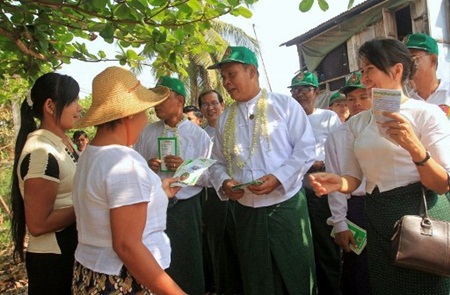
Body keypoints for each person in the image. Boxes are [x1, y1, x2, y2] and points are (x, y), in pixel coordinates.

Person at [309, 38, 450, 294]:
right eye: (362, 71)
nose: (365, 79)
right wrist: (338, 183)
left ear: (397, 70)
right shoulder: (359, 123)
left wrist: (414, 147)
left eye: (370, 69)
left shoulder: (427, 114)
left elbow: (441, 184)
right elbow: (354, 177)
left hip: (420, 216)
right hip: (377, 218)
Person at [208, 46, 317, 295]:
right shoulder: (225, 119)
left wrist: (278, 178)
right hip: (247, 213)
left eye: (231, 74)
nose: (226, 82)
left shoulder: (284, 105)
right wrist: (224, 182)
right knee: (257, 279)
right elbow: (216, 163)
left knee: (296, 274)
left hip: (286, 207)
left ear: (252, 72)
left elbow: (306, 149)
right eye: (223, 77)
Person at [71, 66, 186, 294]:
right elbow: (127, 246)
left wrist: (157, 191)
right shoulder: (124, 162)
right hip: (123, 280)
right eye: (144, 112)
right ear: (130, 115)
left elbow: (106, 204)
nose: (145, 121)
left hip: (90, 275)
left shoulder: (90, 155)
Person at [134, 75, 212, 295]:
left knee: (188, 260)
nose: (156, 104)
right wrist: (148, 167)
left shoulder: (199, 136)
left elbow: (209, 178)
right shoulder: (147, 132)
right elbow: (135, 166)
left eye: (162, 99)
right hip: (153, 206)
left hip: (186, 208)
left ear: (179, 101)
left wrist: (186, 167)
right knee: (155, 260)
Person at [10, 73, 81, 294]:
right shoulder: (41, 153)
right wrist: (86, 205)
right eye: (74, 101)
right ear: (50, 106)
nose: (79, 108)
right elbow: (38, 224)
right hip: (53, 262)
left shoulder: (61, 144)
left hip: (69, 253)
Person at [289, 71, 341, 295]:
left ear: (317, 92)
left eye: (305, 89)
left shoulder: (329, 118)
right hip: (295, 190)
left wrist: (320, 164)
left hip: (321, 189)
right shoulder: (287, 120)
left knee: (325, 247)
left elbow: (340, 151)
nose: (300, 94)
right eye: (295, 90)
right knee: (300, 247)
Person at [325, 71, 371, 295]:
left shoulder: (386, 128)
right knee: (357, 272)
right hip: (356, 209)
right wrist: (340, 223)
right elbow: (335, 183)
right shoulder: (337, 136)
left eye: (363, 97)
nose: (357, 104)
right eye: (351, 99)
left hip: (386, 204)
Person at [198, 89, 243, 295]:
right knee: (218, 246)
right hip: (213, 197)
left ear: (222, 105)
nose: (211, 107)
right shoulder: (200, 136)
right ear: (201, 109)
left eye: (214, 103)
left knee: (239, 242)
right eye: (205, 104)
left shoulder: (236, 130)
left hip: (239, 195)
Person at [403, 33, 450, 118]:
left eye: (413, 58)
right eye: (404, 59)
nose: (408, 64)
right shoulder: (406, 99)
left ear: (433, 60)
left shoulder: (447, 94)